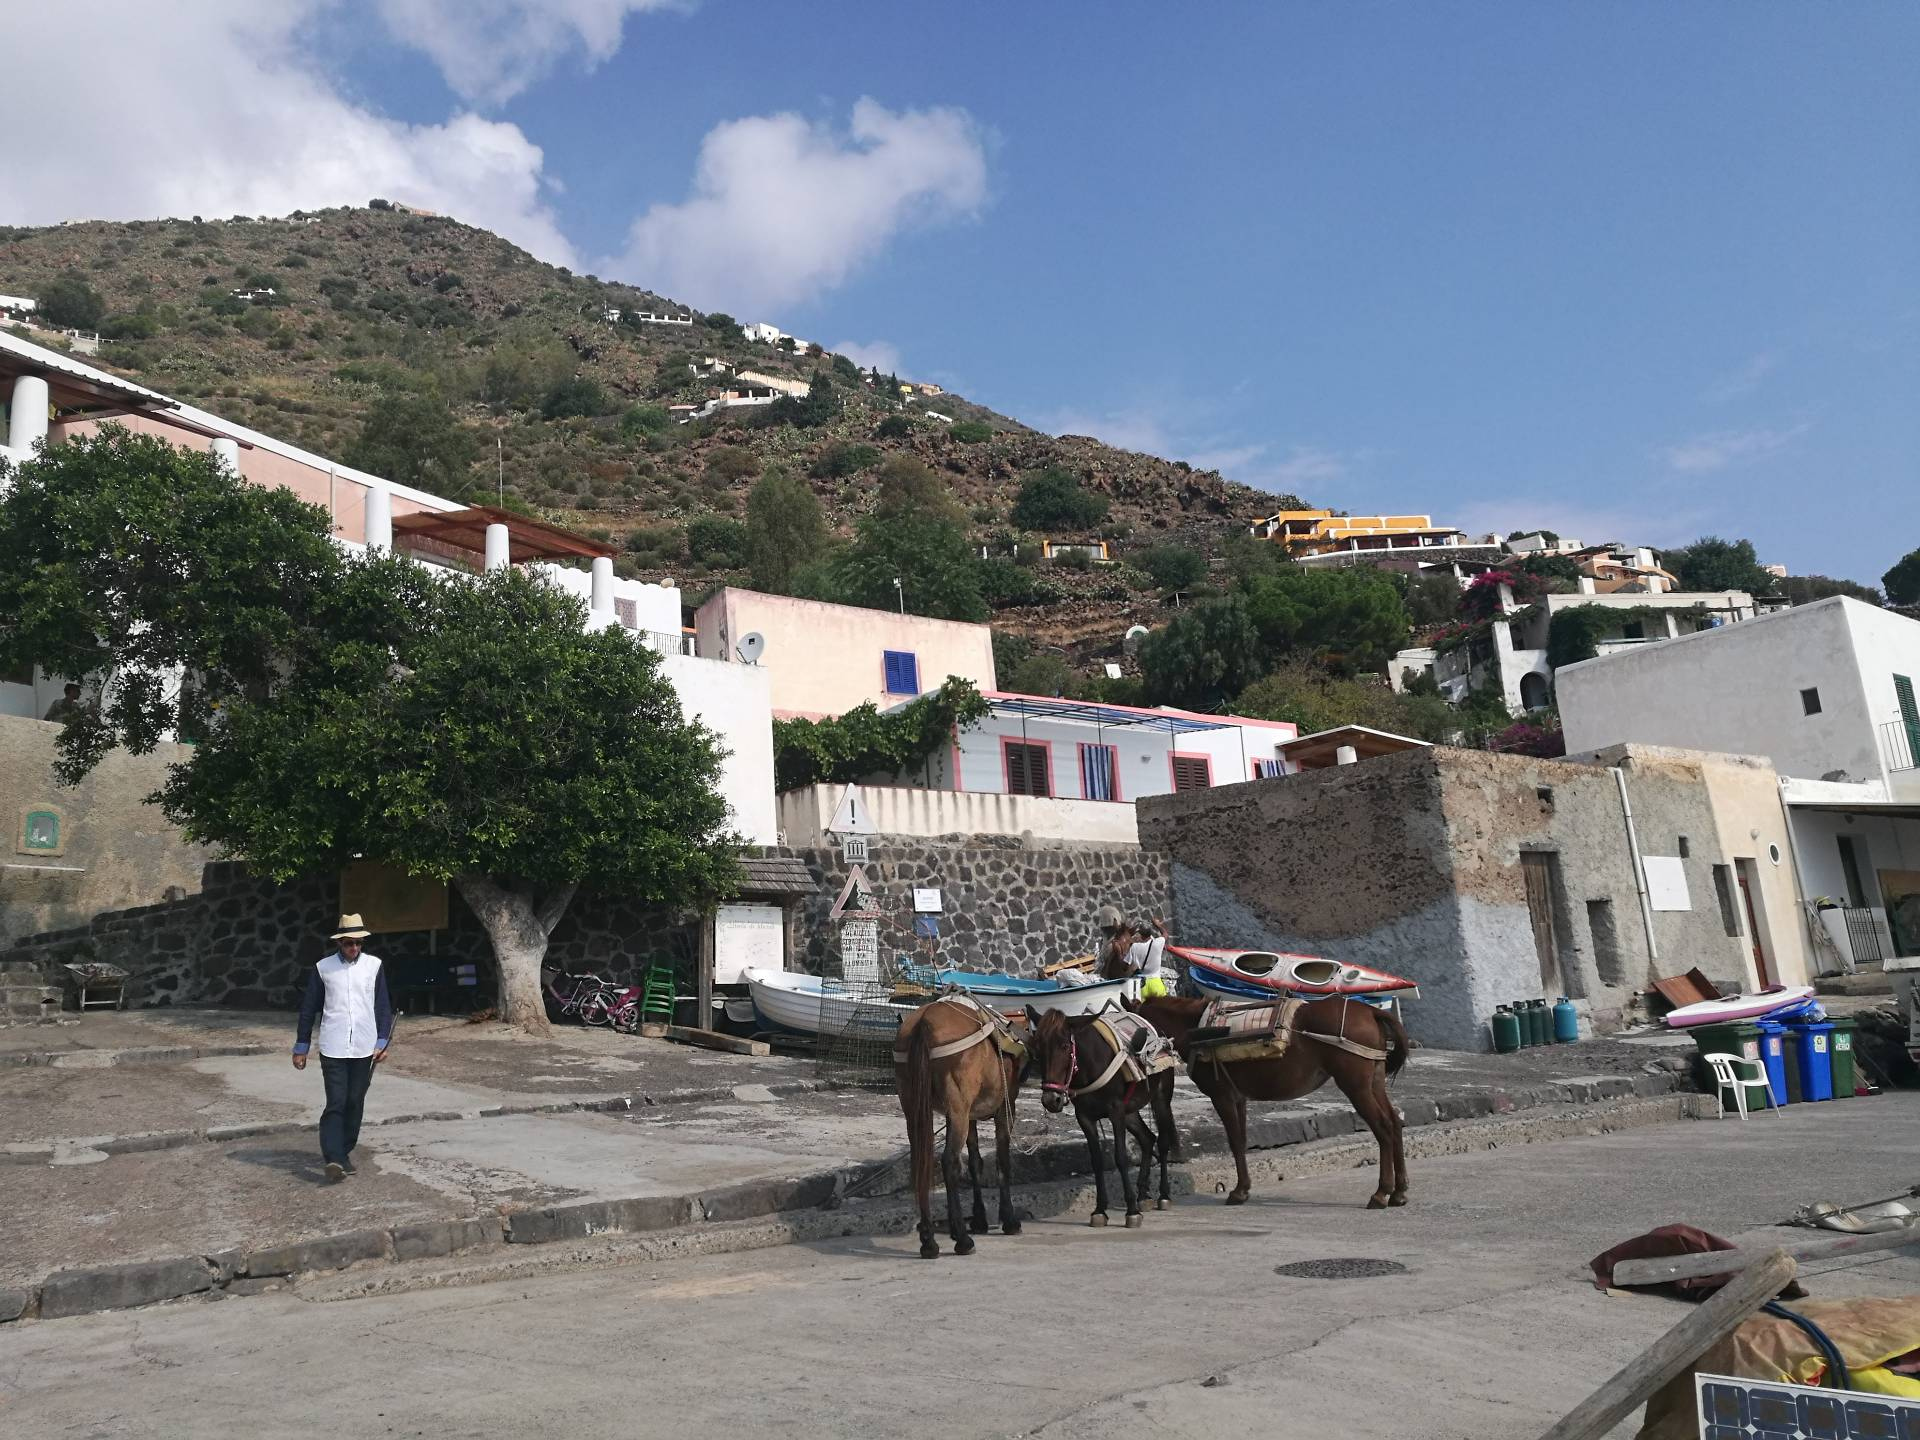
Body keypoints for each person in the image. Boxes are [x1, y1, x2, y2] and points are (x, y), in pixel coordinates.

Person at [292, 913, 394, 1184]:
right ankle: (333, 1157)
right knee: (336, 1101)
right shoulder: (323, 968)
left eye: (358, 943)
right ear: (340, 943)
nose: (354, 949)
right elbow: (308, 1008)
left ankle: (345, 1151)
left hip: (363, 1046)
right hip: (333, 1045)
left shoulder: (374, 966)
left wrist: (382, 1040)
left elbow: (383, 1006)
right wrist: (301, 1045)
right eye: (349, 943)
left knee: (355, 1101)